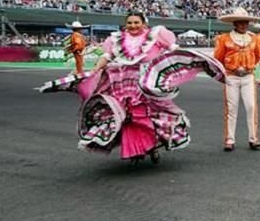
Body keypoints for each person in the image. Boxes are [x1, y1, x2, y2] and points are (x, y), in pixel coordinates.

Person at [39, 11, 224, 164]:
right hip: (124, 82)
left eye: (137, 22)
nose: (133, 25)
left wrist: (176, 63)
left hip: (148, 82)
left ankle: (152, 147)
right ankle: (135, 149)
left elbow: (173, 49)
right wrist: (96, 69)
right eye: (130, 22)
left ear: (144, 23)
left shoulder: (157, 34)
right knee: (128, 115)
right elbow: (108, 56)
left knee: (151, 114)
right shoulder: (116, 39)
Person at [215, 7, 260, 151]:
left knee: (251, 106)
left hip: (248, 76)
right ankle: (230, 139)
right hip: (231, 77)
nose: (244, 25)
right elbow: (218, 58)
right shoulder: (224, 39)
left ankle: (253, 138)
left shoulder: (253, 38)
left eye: (246, 22)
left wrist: (250, 66)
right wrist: (225, 71)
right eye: (241, 22)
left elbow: (257, 55)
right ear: (235, 23)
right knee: (231, 108)